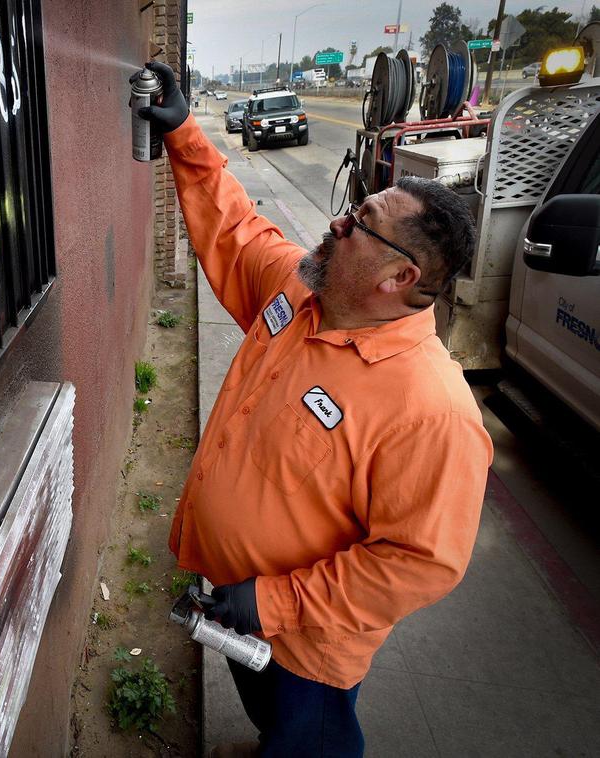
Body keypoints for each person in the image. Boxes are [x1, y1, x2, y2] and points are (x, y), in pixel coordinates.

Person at [138, 61, 493, 756]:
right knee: (270, 725)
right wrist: (182, 130)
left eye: (359, 223)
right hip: (237, 608)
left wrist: (273, 604)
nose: (336, 222)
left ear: (400, 278)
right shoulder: (298, 296)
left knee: (308, 741)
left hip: (308, 653)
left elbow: (418, 561)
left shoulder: (430, 409)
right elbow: (236, 228)